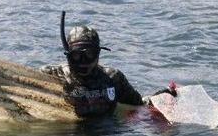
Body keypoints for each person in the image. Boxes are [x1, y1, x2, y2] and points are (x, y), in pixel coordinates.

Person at [41, 12, 175, 118]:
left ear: (98, 54)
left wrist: (161, 97)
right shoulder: (52, 75)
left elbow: (139, 104)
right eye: (76, 55)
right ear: (68, 55)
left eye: (89, 54)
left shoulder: (113, 78)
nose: (83, 62)